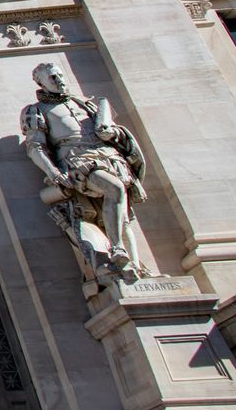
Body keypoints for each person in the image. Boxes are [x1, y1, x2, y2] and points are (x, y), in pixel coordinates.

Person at [21, 63, 146, 275]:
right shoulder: (36, 110)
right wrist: (54, 173)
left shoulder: (85, 104)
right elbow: (36, 147)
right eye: (52, 77)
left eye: (60, 75)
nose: (59, 80)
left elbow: (114, 133)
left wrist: (112, 133)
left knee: (123, 216)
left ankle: (134, 268)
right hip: (78, 162)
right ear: (41, 83)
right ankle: (117, 248)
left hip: (110, 158)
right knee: (115, 189)